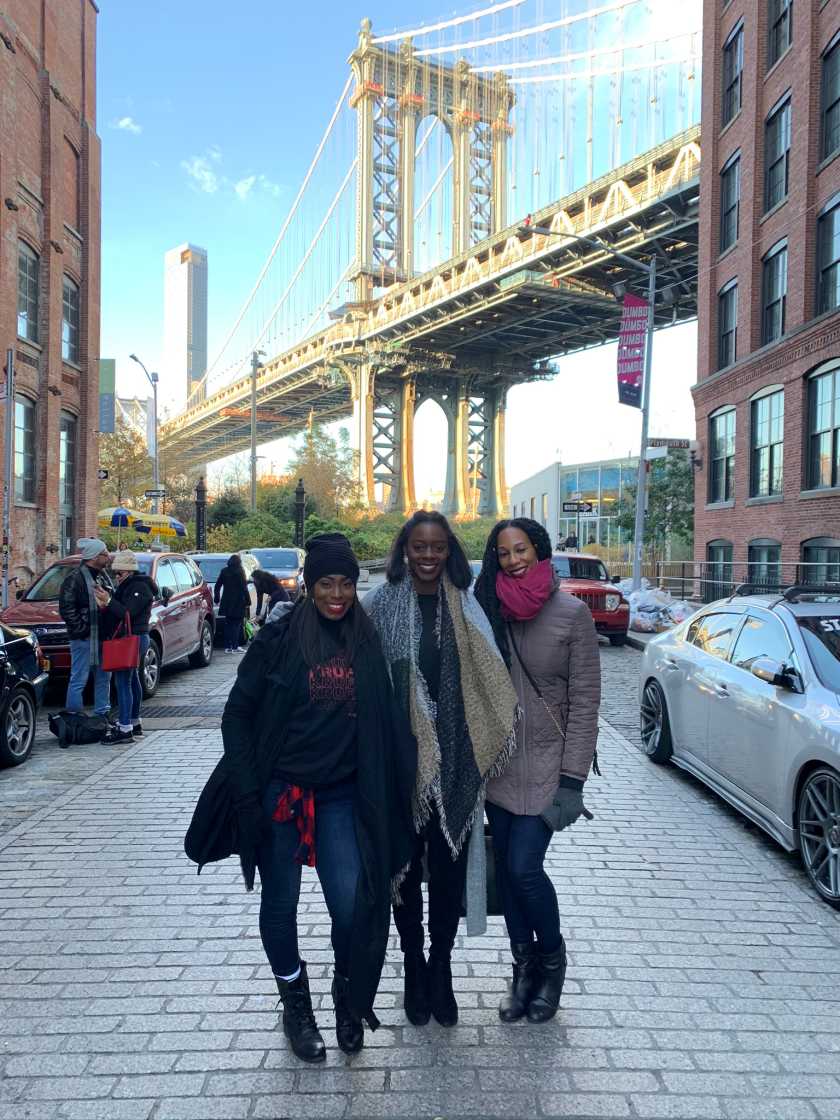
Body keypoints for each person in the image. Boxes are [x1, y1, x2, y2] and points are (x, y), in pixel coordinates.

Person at [186, 533, 417, 1064]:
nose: (336, 594)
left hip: (340, 795)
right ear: (309, 585)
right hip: (279, 790)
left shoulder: (367, 638)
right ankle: (296, 1004)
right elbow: (238, 713)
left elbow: (387, 718)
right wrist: (247, 795)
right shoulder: (280, 638)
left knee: (349, 906)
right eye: (324, 584)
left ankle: (345, 993)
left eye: (345, 584)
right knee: (280, 904)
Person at [364, 511, 519, 1029]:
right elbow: (356, 658)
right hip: (402, 761)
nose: (427, 557)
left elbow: (491, 673)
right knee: (405, 868)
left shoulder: (467, 602)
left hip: (456, 757)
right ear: (404, 550)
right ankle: (412, 964)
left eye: (436, 548)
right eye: (418, 547)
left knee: (449, 866)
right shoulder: (383, 603)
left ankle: (441, 963)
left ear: (448, 550)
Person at [474, 518, 600, 1024]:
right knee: (505, 871)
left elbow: (586, 701)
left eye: (520, 549)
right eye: (503, 553)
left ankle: (551, 964)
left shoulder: (572, 614)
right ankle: (522, 970)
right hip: (499, 767)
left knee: (525, 868)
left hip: (549, 766)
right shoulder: (488, 611)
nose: (513, 560)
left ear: (539, 550)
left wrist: (573, 781)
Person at [95, 551, 158, 744]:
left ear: (129, 570)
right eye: (115, 573)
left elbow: (128, 613)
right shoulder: (131, 585)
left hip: (133, 638)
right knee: (132, 681)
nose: (116, 576)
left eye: (119, 572)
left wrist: (108, 601)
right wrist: (106, 605)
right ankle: (133, 722)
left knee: (123, 682)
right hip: (134, 637)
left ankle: (124, 728)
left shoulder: (139, 587)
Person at [59, 538, 113, 719]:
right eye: (105, 554)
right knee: (79, 679)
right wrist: (84, 631)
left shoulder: (102, 576)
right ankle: (74, 717)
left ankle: (102, 714)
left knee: (104, 677)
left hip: (102, 637)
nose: (108, 557)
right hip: (83, 638)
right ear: (94, 556)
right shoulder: (74, 579)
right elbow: (67, 609)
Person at [214, 554, 250, 653]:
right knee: (236, 624)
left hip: (226, 600)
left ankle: (228, 646)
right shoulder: (240, 571)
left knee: (228, 623)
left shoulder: (224, 571)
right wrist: (248, 601)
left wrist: (217, 599)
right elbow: (244, 587)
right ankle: (235, 647)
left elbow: (217, 586)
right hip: (238, 600)